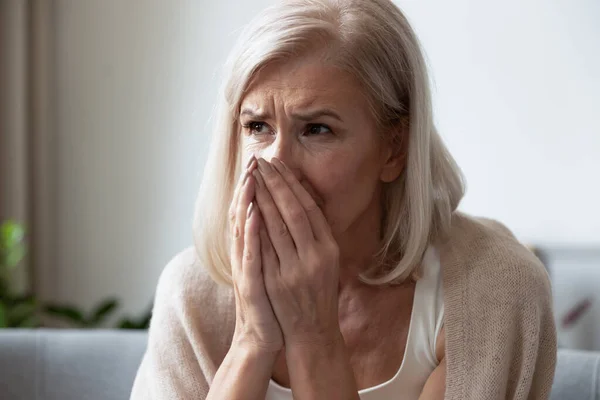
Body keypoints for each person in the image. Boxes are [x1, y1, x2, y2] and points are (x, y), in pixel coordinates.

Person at [130, 0, 556, 399]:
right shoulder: (193, 293)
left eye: (317, 129)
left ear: (394, 149)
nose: (277, 164)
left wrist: (313, 336)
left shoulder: (493, 289)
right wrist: (252, 340)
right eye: (258, 126)